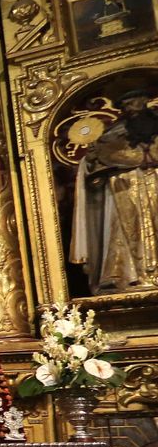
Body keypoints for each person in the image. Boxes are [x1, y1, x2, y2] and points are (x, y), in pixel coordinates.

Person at [71, 87, 158, 294]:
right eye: (125, 106)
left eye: (133, 102)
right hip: (124, 188)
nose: (130, 108)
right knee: (124, 231)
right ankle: (127, 277)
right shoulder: (112, 136)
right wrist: (92, 161)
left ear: (145, 100)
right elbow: (94, 180)